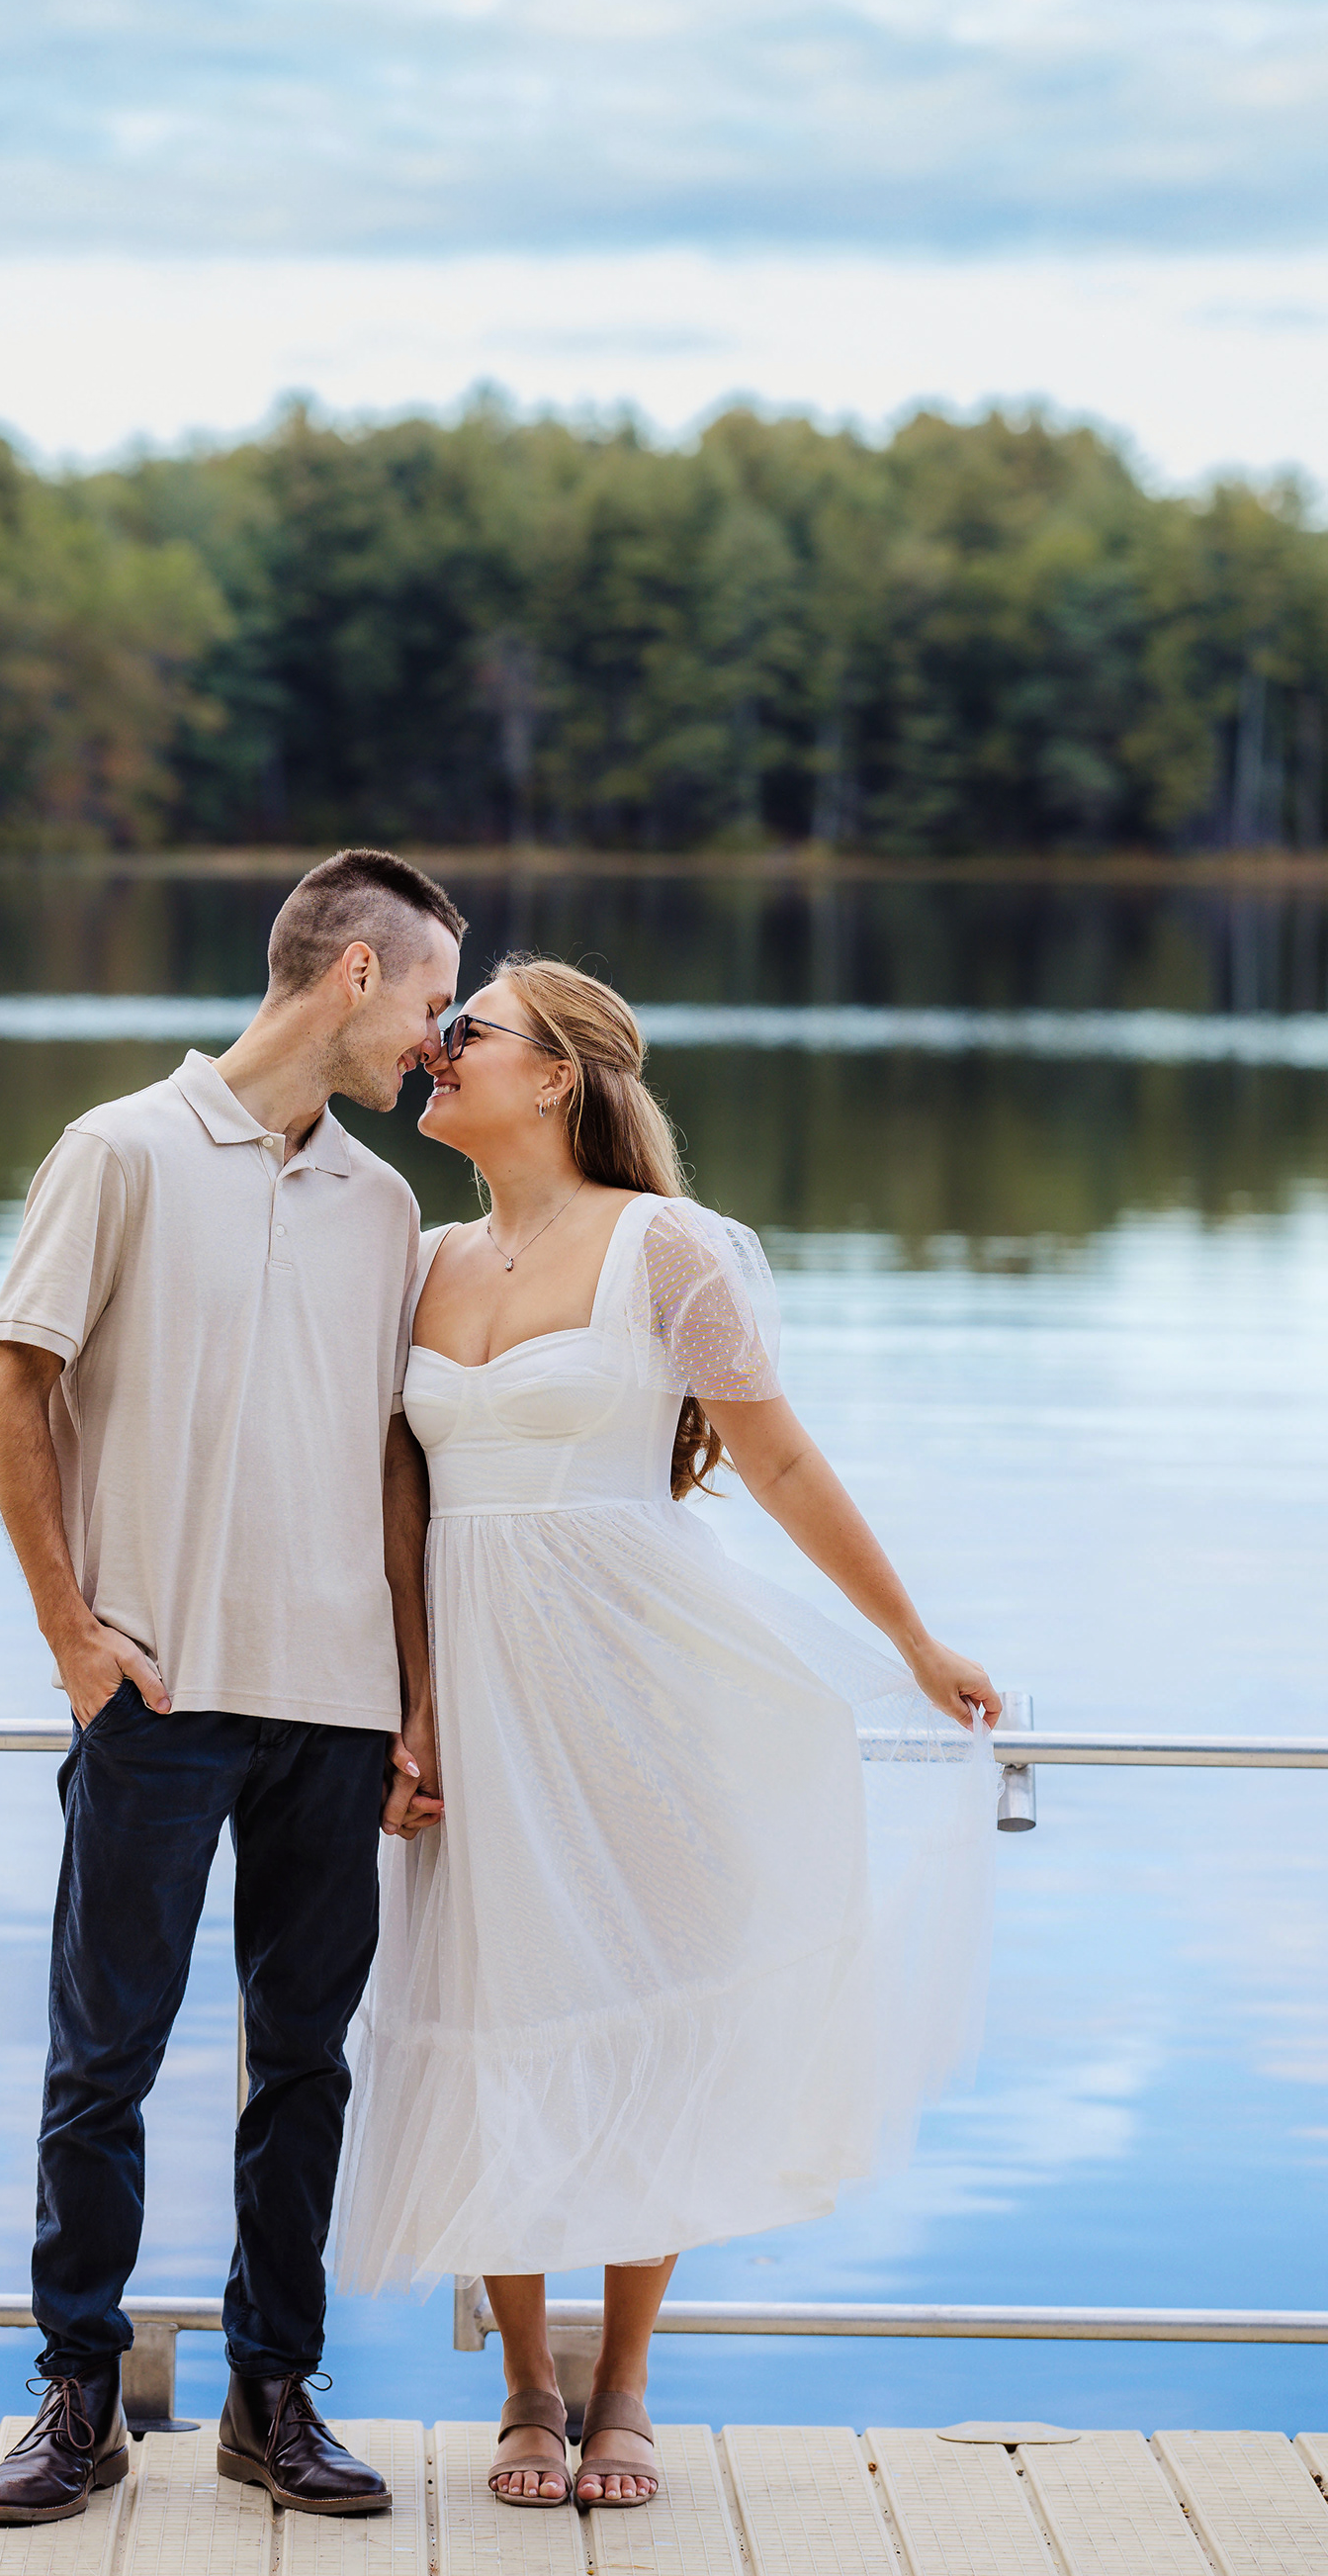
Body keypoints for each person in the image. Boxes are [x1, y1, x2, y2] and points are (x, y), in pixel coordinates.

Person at [334, 957, 1003, 2514]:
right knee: (490, 2007)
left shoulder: (666, 1247)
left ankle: (623, 2381)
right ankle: (520, 2385)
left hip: (642, 1684)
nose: (435, 1054)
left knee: (649, 2006)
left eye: (466, 1034)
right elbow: (400, 1497)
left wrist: (912, 1639)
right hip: (478, 1696)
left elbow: (771, 1457)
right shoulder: (422, 1260)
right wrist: (413, 1697)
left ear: (556, 1074)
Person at [0, 849, 461, 2527]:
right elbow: (12, 1388)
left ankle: (273, 2394)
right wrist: (73, 1639)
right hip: (158, 1700)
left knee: (304, 2063)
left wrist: (414, 1694)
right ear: (350, 980)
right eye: (429, 1001)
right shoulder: (119, 1150)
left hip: (332, 1707)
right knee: (101, 2059)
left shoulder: (389, 1206)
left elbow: (396, 1472)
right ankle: (76, 2393)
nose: (438, 1043)